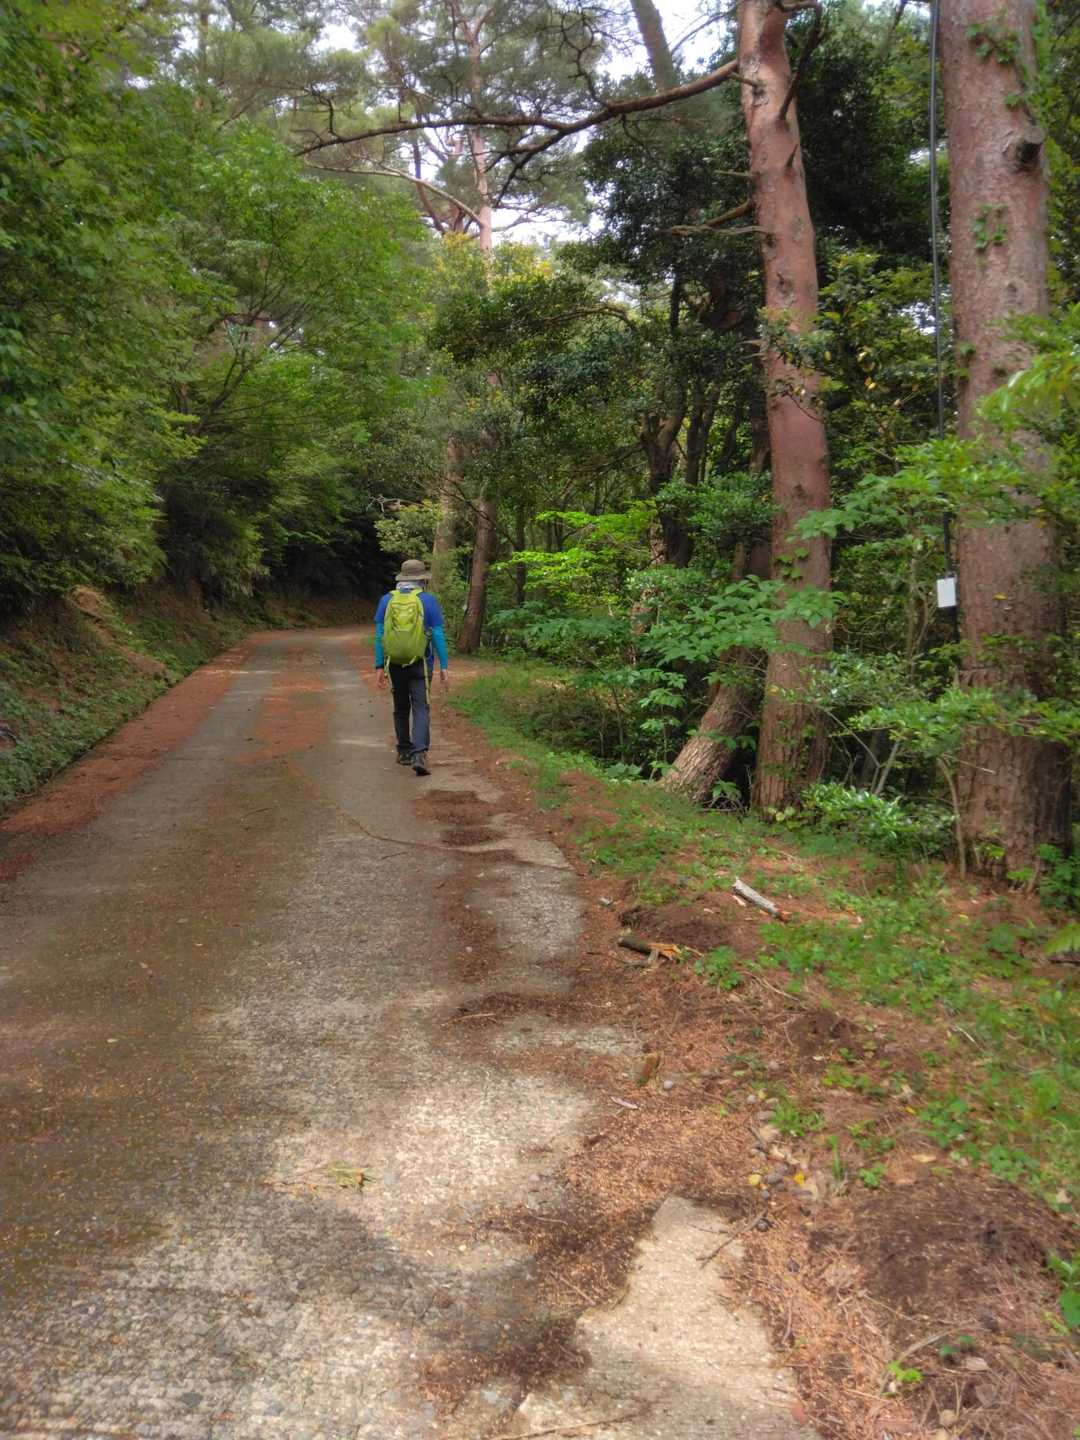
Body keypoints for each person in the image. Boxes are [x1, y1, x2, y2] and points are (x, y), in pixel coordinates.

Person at [374, 558, 450, 776]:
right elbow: (437, 634)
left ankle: (404, 751)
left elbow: (379, 635)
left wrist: (379, 666)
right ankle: (419, 755)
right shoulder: (428, 600)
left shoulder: (386, 600)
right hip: (421, 663)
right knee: (420, 707)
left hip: (395, 662)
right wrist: (444, 666)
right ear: (422, 579)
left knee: (400, 707)